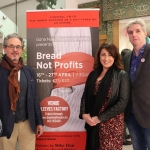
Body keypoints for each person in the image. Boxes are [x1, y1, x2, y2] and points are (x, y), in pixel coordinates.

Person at [79, 42, 130, 150]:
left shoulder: (121, 75)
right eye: (103, 54)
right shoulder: (93, 74)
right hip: (93, 122)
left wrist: (100, 118)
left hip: (112, 125)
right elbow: (85, 96)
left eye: (110, 55)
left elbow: (122, 102)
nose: (106, 58)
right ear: (99, 56)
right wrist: (84, 114)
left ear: (115, 57)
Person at [0, 33, 44, 150]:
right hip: (5, 124)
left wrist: (39, 122)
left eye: (18, 47)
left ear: (22, 50)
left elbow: (34, 98)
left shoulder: (28, 71)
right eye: (11, 46)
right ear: (4, 48)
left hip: (27, 124)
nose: (15, 50)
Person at [123, 18, 150, 150]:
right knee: (138, 147)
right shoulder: (127, 57)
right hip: (131, 114)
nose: (134, 34)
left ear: (145, 33)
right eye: (130, 32)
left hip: (148, 113)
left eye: (137, 31)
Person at [121, 48, 132, 146]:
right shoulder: (122, 68)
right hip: (123, 97)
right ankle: (123, 138)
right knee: (123, 118)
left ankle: (125, 135)